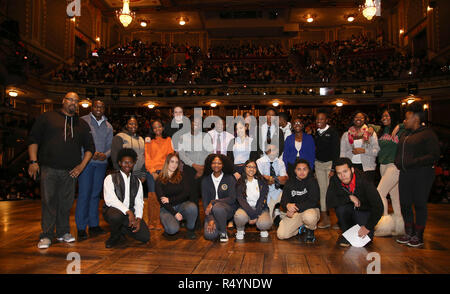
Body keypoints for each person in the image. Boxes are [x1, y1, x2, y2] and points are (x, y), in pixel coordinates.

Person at [28, 92, 95, 249]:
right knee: (48, 202)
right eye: (70, 99)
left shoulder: (82, 124)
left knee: (66, 203)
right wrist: (33, 161)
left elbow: (90, 148)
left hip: (70, 171)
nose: (73, 103)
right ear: (63, 101)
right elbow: (33, 139)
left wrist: (81, 166)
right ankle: (46, 235)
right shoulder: (47, 117)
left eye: (76, 101)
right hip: (48, 168)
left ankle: (63, 232)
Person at [395, 103, 440, 247]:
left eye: (407, 118)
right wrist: (399, 162)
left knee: (420, 203)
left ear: (415, 118)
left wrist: (414, 161)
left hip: (422, 173)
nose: (404, 121)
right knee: (405, 203)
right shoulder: (405, 134)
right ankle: (409, 232)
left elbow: (434, 155)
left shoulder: (427, 134)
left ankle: (418, 235)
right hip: (405, 173)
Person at [76, 99, 113, 240]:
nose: (99, 108)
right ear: (92, 108)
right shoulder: (82, 121)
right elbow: (78, 142)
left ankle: (93, 225)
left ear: (104, 109)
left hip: (101, 164)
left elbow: (110, 146)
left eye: (102, 106)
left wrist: (105, 155)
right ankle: (80, 228)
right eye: (96, 106)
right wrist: (90, 153)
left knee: (96, 195)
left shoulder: (108, 126)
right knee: (84, 194)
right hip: (86, 163)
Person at [326, 157, 383, 247]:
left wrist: (368, 227)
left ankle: (355, 233)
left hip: (364, 211)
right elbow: (329, 201)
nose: (342, 176)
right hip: (347, 210)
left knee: (366, 240)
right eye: (339, 173)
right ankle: (347, 233)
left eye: (345, 171)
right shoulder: (335, 180)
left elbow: (379, 207)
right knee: (341, 209)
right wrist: (349, 197)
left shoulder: (365, 181)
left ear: (352, 170)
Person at [103, 148, 150, 248]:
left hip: (131, 215)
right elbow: (110, 200)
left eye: (130, 163)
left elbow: (139, 202)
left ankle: (122, 229)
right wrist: (129, 212)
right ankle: (114, 236)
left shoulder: (137, 181)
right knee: (116, 216)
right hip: (114, 211)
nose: (127, 165)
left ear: (134, 164)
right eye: (125, 162)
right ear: (120, 163)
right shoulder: (110, 178)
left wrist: (138, 219)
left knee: (145, 237)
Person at [374, 109, 405, 237]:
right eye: (383, 115)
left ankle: (385, 225)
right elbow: (368, 127)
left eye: (387, 115)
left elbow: (415, 124)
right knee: (395, 197)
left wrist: (399, 125)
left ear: (394, 117)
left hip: (394, 165)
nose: (384, 117)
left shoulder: (401, 130)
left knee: (380, 192)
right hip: (383, 165)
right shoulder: (382, 131)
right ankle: (399, 227)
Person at [155, 153, 198, 239]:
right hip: (167, 208)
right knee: (173, 230)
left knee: (192, 207)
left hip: (181, 205)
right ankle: (169, 228)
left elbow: (186, 193)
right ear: (167, 162)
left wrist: (170, 200)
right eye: (172, 162)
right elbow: (162, 201)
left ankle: (190, 229)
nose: (174, 165)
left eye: (176, 162)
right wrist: (175, 213)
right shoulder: (159, 179)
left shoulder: (182, 175)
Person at [277, 159, 320, 242]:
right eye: (299, 169)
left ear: (308, 170)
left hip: (309, 210)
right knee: (281, 235)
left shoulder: (312, 181)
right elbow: (283, 200)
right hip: (295, 213)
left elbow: (313, 201)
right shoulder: (290, 182)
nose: (302, 172)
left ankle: (309, 230)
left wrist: (295, 207)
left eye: (304, 169)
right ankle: (300, 227)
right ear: (295, 170)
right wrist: (287, 206)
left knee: (309, 217)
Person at [178, 115, 213, 209]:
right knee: (192, 196)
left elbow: (210, 153)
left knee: (207, 195)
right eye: (194, 122)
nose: (196, 124)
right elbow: (182, 155)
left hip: (204, 168)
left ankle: (208, 220)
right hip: (190, 169)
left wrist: (202, 168)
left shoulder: (206, 136)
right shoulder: (183, 137)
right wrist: (194, 165)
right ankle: (194, 222)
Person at [145, 119, 174, 228]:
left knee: (163, 197)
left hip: (164, 172)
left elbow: (170, 156)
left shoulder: (168, 139)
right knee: (152, 197)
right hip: (151, 172)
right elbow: (147, 157)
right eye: (155, 127)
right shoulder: (148, 140)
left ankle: (162, 222)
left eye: (159, 126)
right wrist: (152, 172)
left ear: (163, 128)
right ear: (152, 130)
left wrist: (165, 171)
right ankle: (152, 222)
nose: (157, 129)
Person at [314, 109, 340, 229]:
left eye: (322, 119)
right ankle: (325, 219)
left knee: (332, 192)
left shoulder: (333, 132)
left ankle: (340, 219)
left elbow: (336, 152)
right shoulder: (316, 133)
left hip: (330, 165)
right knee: (322, 192)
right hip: (318, 165)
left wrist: (333, 169)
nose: (319, 121)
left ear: (326, 120)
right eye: (317, 119)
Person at [202, 154, 237, 242]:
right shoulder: (205, 180)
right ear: (210, 164)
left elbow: (232, 199)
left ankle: (223, 232)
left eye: (219, 163)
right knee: (209, 235)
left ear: (223, 165)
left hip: (227, 210)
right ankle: (219, 223)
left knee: (217, 207)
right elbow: (205, 203)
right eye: (214, 163)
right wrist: (211, 219)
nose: (216, 165)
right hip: (211, 213)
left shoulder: (230, 178)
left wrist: (213, 202)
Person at [234, 159, 272, 240]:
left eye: (254, 167)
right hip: (245, 208)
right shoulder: (240, 182)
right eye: (249, 167)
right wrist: (252, 214)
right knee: (239, 216)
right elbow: (241, 201)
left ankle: (263, 229)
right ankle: (240, 230)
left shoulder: (262, 182)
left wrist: (256, 214)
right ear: (245, 168)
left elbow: (262, 200)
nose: (251, 169)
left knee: (265, 223)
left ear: (256, 169)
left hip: (261, 208)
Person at [340, 111, 380, 183]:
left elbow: (376, 151)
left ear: (364, 119)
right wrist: (342, 167)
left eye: (361, 117)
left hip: (367, 167)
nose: (359, 119)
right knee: (353, 190)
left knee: (367, 191)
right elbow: (342, 153)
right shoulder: (346, 135)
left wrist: (364, 151)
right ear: (353, 119)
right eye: (356, 117)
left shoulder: (370, 133)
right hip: (351, 167)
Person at [256, 143, 288, 225]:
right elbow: (261, 180)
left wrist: (270, 178)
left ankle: (282, 218)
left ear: (277, 151)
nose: (272, 152)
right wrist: (277, 178)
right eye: (269, 150)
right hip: (264, 192)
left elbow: (284, 180)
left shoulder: (280, 162)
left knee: (288, 199)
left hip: (277, 190)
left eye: (274, 150)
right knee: (266, 222)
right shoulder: (259, 162)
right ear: (266, 151)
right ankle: (271, 216)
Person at [111, 116, 146, 182]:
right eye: (131, 124)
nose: (133, 126)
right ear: (126, 125)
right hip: (125, 172)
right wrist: (120, 173)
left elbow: (144, 156)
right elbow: (115, 157)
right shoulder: (120, 137)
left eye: (135, 124)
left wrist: (143, 174)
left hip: (139, 173)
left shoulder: (141, 139)